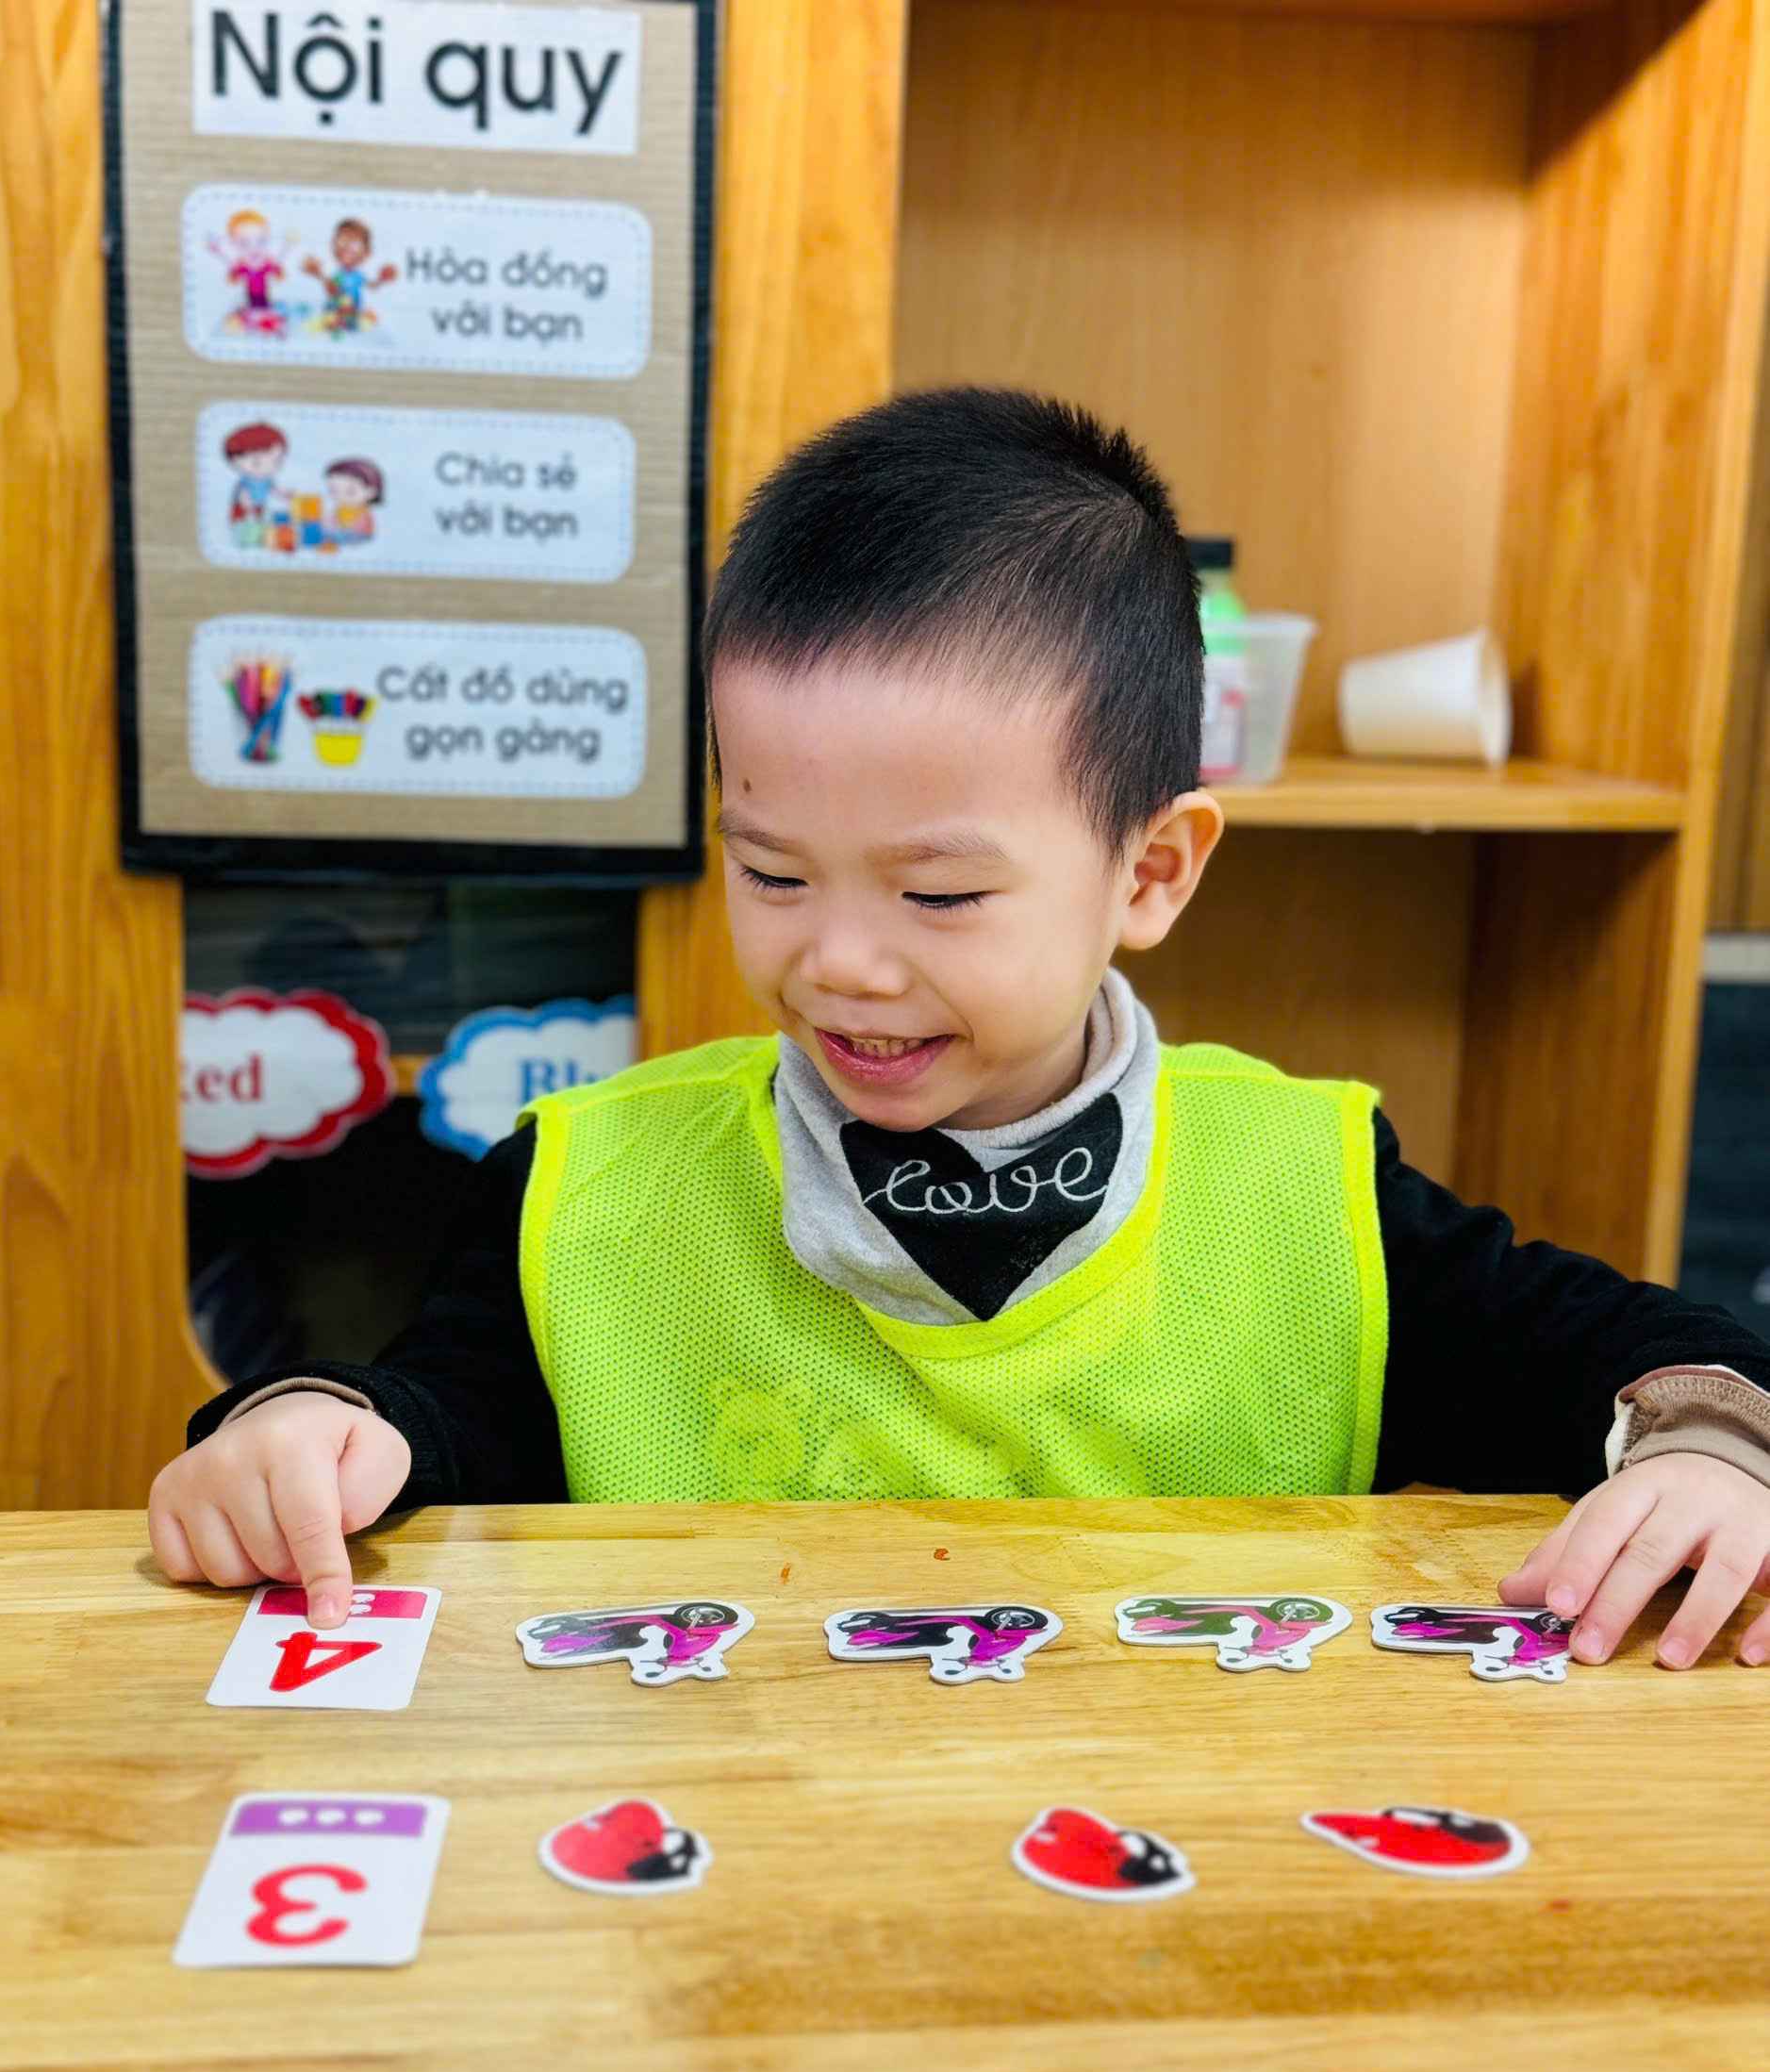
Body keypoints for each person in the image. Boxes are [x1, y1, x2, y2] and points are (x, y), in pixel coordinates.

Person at [148, 388, 1770, 1666]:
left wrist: (1708, 1455)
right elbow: (441, 1419)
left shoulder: (1304, 1190)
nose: (841, 963)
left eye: (937, 896)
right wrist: (303, 1428)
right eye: (771, 873)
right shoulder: (589, 1186)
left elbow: (1646, 1363)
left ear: (1149, 871)